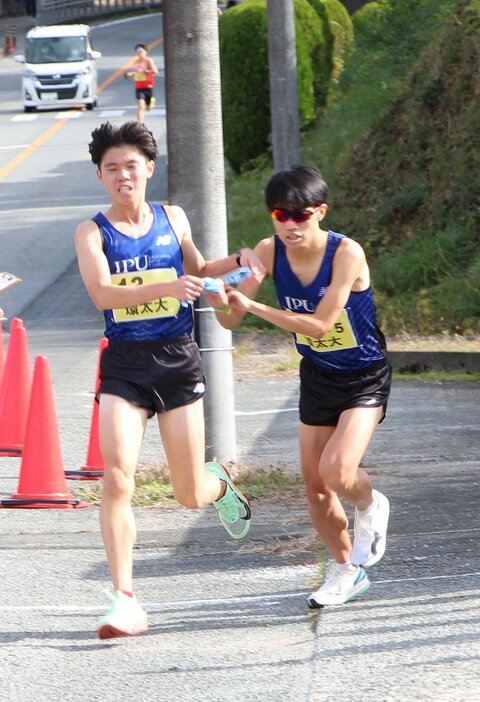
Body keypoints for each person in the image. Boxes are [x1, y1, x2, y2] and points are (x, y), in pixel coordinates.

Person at [75, 121, 265, 639]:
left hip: (177, 360)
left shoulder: (172, 217)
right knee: (117, 478)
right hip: (125, 366)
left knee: (187, 493)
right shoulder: (92, 231)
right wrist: (164, 282)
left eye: (131, 165)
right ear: (100, 175)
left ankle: (219, 485)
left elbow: (200, 269)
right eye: (111, 168)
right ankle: (124, 600)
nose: (122, 175)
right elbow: (102, 293)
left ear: (149, 169)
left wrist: (241, 263)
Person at [213, 165, 391, 608]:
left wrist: (253, 305)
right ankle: (346, 570)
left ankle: (370, 505)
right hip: (317, 377)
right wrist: (222, 299)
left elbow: (319, 325)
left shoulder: (346, 253)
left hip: (363, 375)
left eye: (301, 215)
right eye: (280, 215)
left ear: (320, 212)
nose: (290, 225)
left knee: (338, 471)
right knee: (315, 487)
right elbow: (230, 320)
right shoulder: (268, 252)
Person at [123, 43, 159, 123]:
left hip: (148, 85)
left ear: (145, 52)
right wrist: (130, 74)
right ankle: (140, 124)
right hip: (139, 86)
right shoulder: (135, 62)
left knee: (148, 108)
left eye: (141, 51)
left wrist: (146, 71)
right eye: (137, 52)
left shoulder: (148, 60)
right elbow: (136, 72)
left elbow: (155, 71)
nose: (139, 53)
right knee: (140, 107)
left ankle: (152, 101)